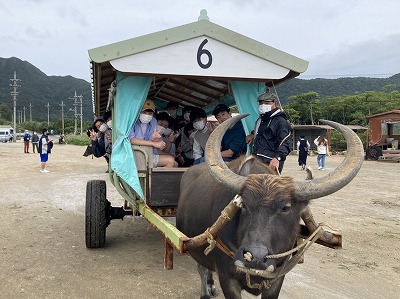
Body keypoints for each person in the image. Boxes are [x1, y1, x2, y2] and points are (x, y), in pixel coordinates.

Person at [246, 91, 291, 174]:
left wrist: (277, 158)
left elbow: (285, 142)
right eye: (261, 103)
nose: (263, 105)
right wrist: (253, 134)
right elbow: (262, 132)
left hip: (270, 163)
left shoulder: (281, 121)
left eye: (267, 103)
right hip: (256, 160)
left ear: (275, 103)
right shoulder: (260, 120)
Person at [129, 99, 177, 168]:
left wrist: (155, 140)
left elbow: (151, 142)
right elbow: (132, 140)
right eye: (144, 112)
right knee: (170, 160)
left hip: (147, 153)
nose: (147, 115)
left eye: (150, 113)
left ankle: (156, 178)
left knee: (174, 163)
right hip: (134, 153)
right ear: (139, 111)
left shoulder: (153, 121)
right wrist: (153, 143)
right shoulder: (132, 121)